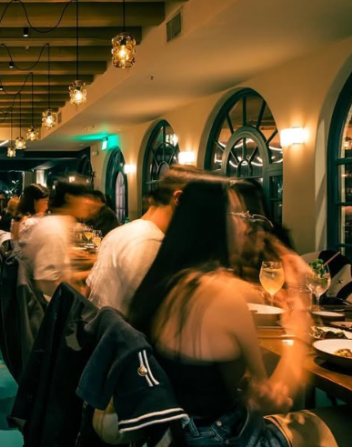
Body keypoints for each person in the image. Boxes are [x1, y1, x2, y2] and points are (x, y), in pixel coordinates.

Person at [126, 179, 344, 446]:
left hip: (176, 431)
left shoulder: (170, 281)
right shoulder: (222, 293)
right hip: (218, 438)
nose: (247, 225)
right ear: (215, 222)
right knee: (343, 422)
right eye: (241, 215)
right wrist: (299, 318)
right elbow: (274, 400)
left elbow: (237, 385)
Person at [86, 165, 201, 314]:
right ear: (178, 198)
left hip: (100, 330)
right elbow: (163, 314)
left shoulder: (119, 233)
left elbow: (88, 291)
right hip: (121, 335)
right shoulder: (148, 241)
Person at [22, 179, 93, 298]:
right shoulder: (53, 230)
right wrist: (82, 294)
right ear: (69, 198)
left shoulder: (58, 223)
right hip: (53, 308)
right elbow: (47, 283)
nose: (90, 203)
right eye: (85, 197)